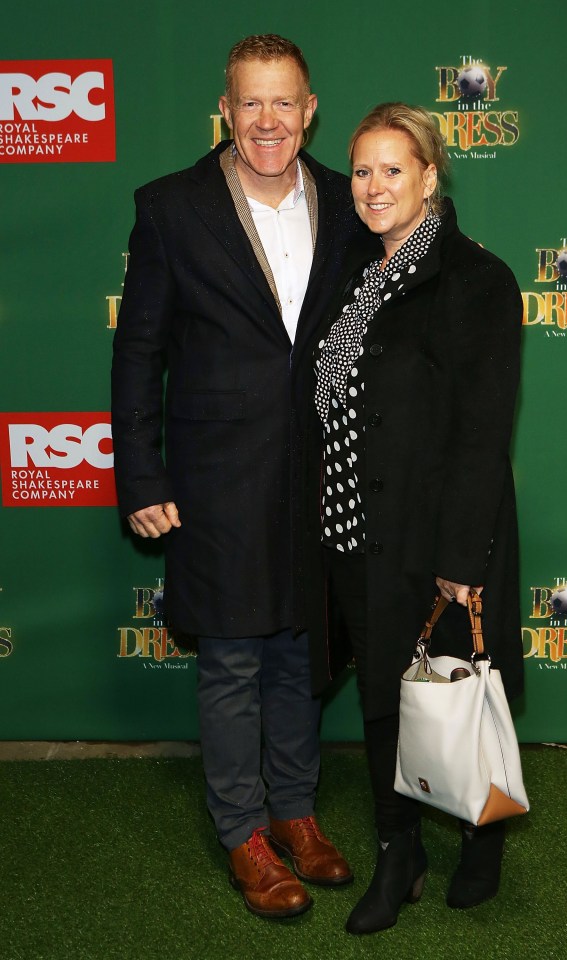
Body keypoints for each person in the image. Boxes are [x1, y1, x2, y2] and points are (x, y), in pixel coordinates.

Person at [111, 34, 375, 920]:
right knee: (230, 660)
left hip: (318, 474)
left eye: (284, 103)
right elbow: (139, 351)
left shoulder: (347, 205)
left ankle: (296, 811)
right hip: (213, 474)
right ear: (227, 108)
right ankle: (244, 835)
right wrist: (140, 475)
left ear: (310, 111)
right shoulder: (170, 208)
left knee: (300, 651)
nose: (267, 121)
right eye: (249, 102)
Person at [298, 102, 524, 934]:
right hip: (356, 537)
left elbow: (480, 433)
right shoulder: (352, 269)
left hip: (440, 540)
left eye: (394, 169)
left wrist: (462, 557)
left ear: (431, 176)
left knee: (460, 696)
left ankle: (484, 834)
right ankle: (402, 850)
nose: (373, 186)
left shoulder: (478, 280)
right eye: (361, 170)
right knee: (388, 705)